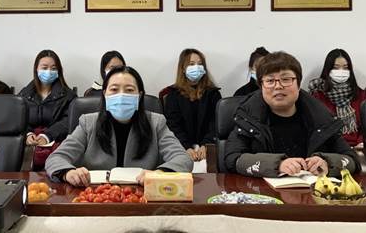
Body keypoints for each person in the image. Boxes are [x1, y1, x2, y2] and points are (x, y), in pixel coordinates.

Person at [45, 66, 193, 186]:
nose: (121, 95)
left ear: (140, 95)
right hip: (96, 197)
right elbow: (56, 158)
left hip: (142, 198)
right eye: (114, 89)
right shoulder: (88, 123)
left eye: (129, 90)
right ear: (105, 94)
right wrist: (68, 173)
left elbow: (183, 159)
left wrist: (160, 174)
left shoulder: (156, 123)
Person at [224, 51, 359, 178]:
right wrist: (277, 165)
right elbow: (233, 159)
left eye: (286, 79)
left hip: (312, 191)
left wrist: (328, 163)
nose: (278, 86)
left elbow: (352, 160)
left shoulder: (321, 118)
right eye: (270, 81)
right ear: (261, 87)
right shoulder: (249, 118)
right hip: (261, 192)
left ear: (298, 85)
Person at [19, 49, 76, 170]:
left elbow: (68, 121)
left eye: (53, 68)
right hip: (28, 148)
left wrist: (47, 136)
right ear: (36, 69)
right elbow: (17, 118)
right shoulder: (24, 94)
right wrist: (27, 134)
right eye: (44, 68)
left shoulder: (68, 96)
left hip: (57, 145)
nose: (49, 71)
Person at [161, 48, 221, 162]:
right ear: (183, 68)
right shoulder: (173, 95)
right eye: (191, 64)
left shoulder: (213, 93)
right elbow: (173, 125)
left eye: (200, 64)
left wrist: (206, 144)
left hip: (207, 148)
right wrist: (186, 147)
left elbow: (216, 123)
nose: (196, 67)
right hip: (181, 147)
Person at [308, 49, 366, 147]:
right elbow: (315, 128)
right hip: (328, 148)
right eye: (336, 68)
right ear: (328, 70)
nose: (341, 71)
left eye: (345, 68)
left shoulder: (360, 94)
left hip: (357, 147)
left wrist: (361, 143)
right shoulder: (318, 95)